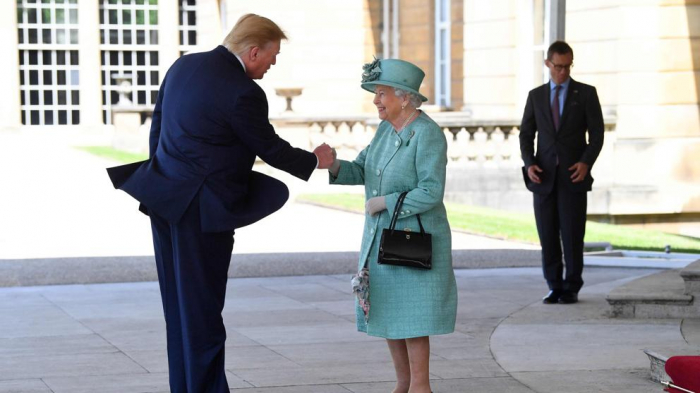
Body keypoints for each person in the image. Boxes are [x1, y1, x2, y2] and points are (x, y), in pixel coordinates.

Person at [106, 14, 334, 392]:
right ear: (253, 51)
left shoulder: (183, 65)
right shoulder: (243, 91)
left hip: (163, 198)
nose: (272, 65)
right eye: (272, 57)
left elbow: (158, 129)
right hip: (202, 211)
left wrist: (163, 179)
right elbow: (269, 147)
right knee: (203, 311)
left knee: (178, 310)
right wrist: (315, 161)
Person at [328, 58, 457, 393]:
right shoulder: (386, 130)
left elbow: (431, 190)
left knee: (414, 318)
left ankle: (420, 387)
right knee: (389, 313)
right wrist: (333, 165)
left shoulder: (427, 134)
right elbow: (362, 169)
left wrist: (386, 203)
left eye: (381, 93)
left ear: (404, 97)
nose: (375, 100)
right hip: (382, 238)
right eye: (376, 93)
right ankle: (403, 385)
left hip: (414, 237)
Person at [519, 41, 604, 305]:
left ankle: (572, 287)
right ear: (548, 64)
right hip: (543, 178)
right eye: (558, 67)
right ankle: (554, 285)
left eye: (567, 67)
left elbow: (597, 135)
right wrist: (530, 162)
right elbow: (526, 134)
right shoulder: (536, 96)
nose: (563, 72)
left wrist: (585, 162)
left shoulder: (586, 94)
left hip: (573, 177)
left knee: (572, 234)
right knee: (547, 234)